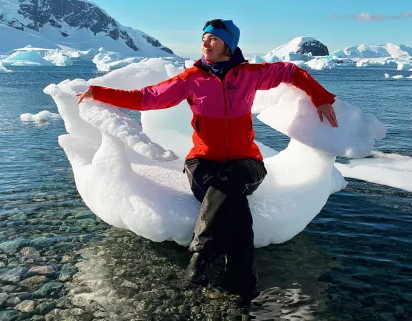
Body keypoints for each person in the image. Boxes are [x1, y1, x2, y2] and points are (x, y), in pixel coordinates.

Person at [78, 19, 338, 304]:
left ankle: (200, 260)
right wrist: (99, 92)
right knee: (232, 198)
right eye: (203, 37)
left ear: (228, 44)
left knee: (228, 187)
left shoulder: (249, 75)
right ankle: (242, 276)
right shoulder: (191, 79)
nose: (205, 42)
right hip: (202, 162)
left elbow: (290, 71)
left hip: (246, 161)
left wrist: (321, 98)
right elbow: (147, 98)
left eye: (212, 38)